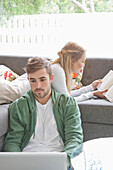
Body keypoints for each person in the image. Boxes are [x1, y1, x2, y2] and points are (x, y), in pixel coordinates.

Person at [4, 57, 83, 170]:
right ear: (28, 80)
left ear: (51, 78)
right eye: (33, 80)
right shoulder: (18, 106)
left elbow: (75, 137)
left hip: (58, 158)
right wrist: (15, 162)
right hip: (27, 160)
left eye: (42, 79)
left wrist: (65, 161)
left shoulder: (68, 104)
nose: (38, 86)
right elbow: (13, 141)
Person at [0, 42, 107, 104]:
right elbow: (67, 102)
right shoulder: (57, 70)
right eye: (82, 61)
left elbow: (66, 95)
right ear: (73, 60)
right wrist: (90, 94)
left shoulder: (59, 69)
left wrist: (91, 88)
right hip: (11, 91)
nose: (83, 65)